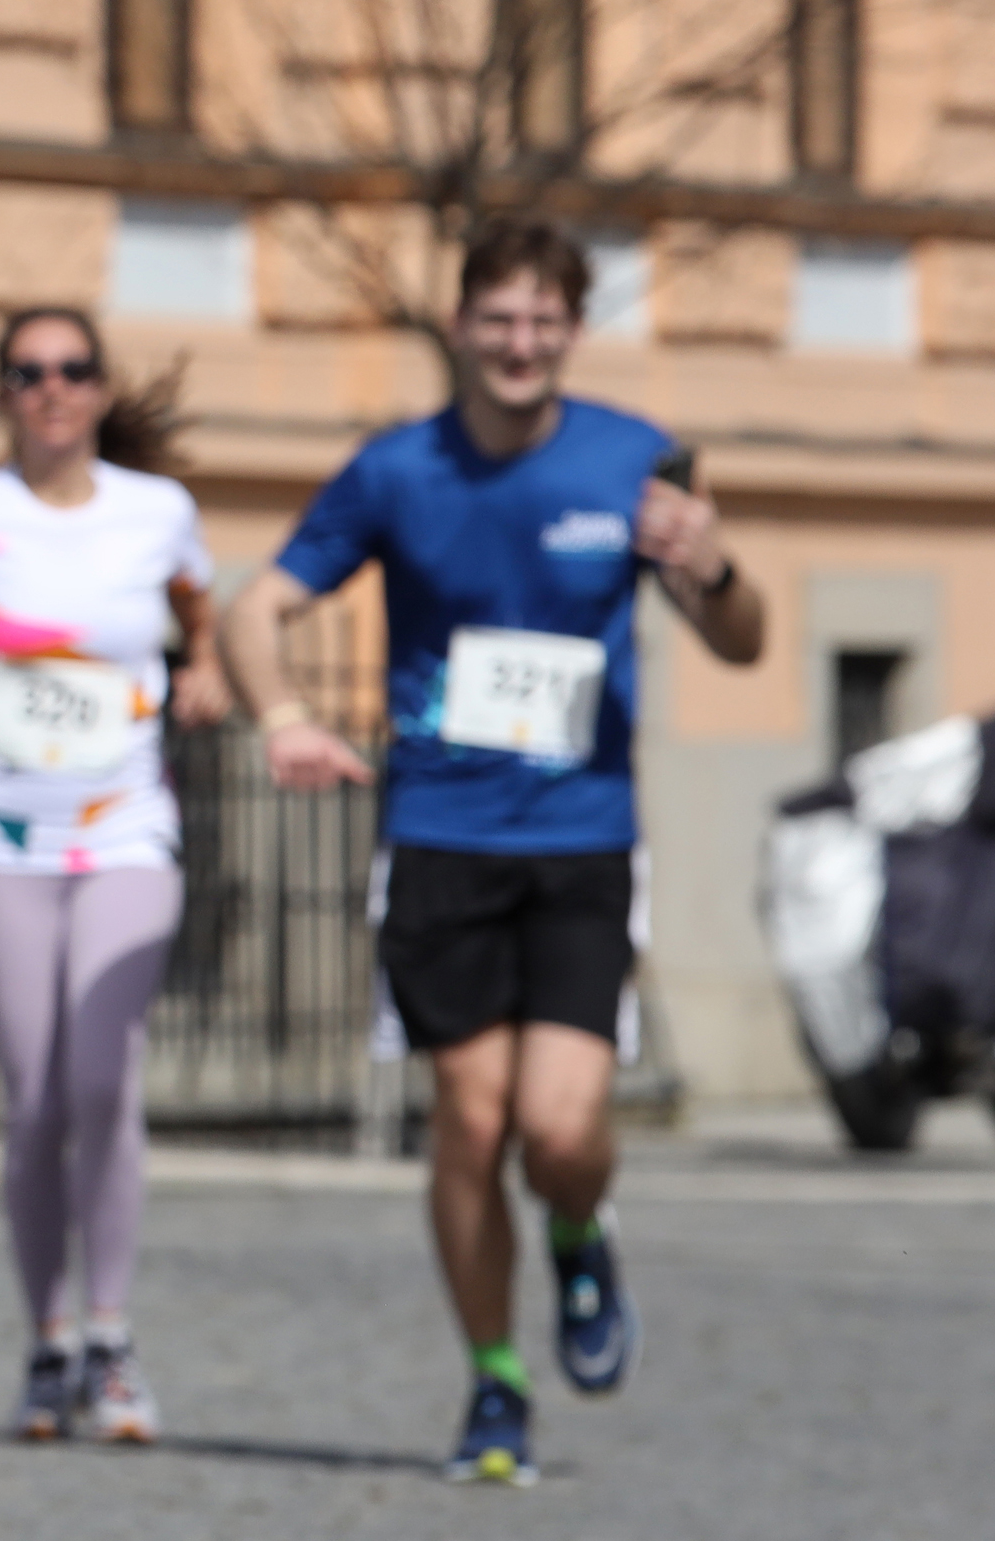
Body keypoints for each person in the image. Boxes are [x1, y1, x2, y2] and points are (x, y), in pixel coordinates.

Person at [220, 218, 765, 1486]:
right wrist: (283, 715)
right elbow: (258, 606)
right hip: (438, 839)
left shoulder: (632, 459)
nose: (519, 343)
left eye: (543, 322)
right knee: (469, 1121)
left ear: (570, 331)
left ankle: (576, 1230)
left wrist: (715, 562)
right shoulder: (394, 469)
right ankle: (495, 1378)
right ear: (460, 324)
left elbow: (740, 638)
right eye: (498, 319)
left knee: (558, 1130)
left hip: (582, 841)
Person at [0, 309, 230, 1445]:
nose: (51, 388)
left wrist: (207, 672)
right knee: (34, 1100)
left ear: (99, 388)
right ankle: (47, 1343)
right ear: (2, 391)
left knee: (101, 1076)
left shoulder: (158, 512)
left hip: (127, 829)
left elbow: (199, 617)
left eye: (72, 369)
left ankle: (111, 1335)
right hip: (0, 837)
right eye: (27, 371)